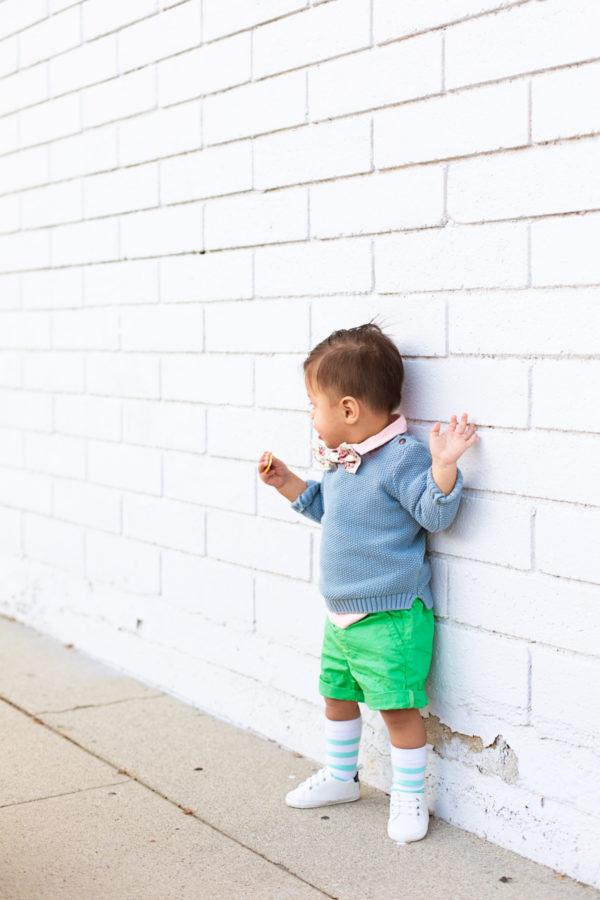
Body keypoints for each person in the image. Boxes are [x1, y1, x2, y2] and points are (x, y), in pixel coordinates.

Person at [257, 323, 477, 844]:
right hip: (342, 616)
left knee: (398, 709)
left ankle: (408, 798)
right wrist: (288, 483)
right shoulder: (341, 461)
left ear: (349, 410)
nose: (311, 416)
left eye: (315, 406)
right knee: (336, 695)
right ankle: (340, 777)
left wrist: (443, 465)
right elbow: (328, 512)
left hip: (390, 616)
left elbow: (433, 513)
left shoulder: (401, 457)